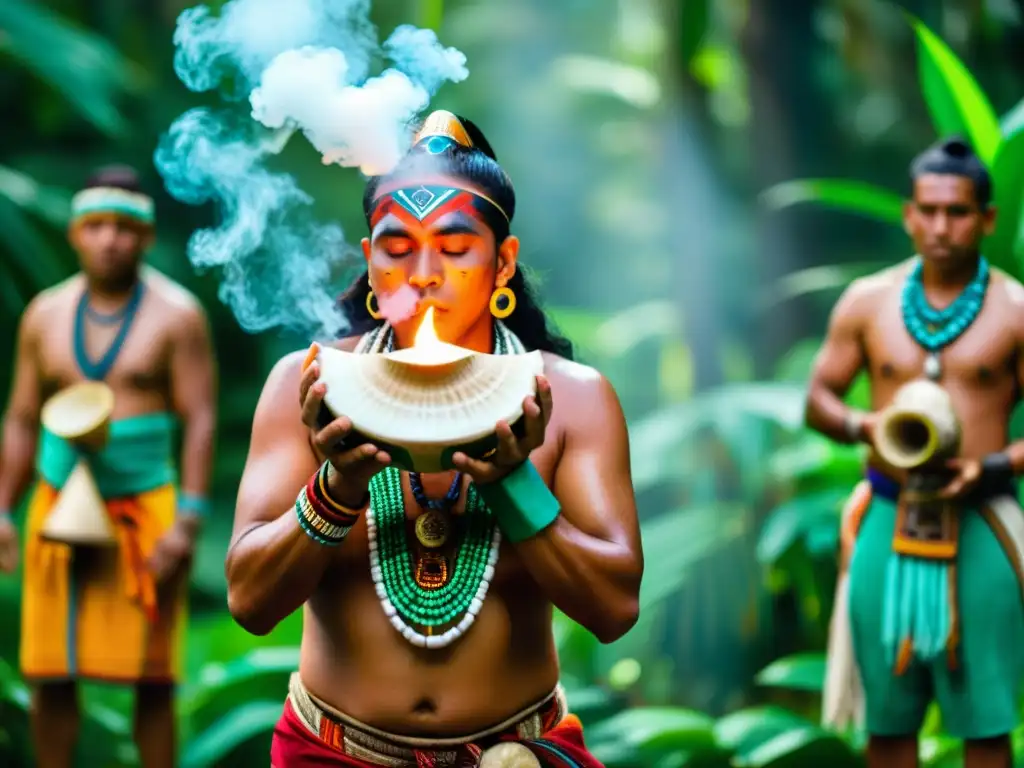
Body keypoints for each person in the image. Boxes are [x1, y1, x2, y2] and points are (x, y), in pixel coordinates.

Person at [226, 110, 643, 767]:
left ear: (503, 262)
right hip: (331, 754)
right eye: (397, 249)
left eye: (454, 248)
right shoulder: (306, 386)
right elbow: (249, 601)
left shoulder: (574, 400)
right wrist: (337, 488)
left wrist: (513, 483)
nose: (422, 273)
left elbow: (616, 608)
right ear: (370, 261)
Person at [807, 136, 1024, 768]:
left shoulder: (1014, 310)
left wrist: (989, 468)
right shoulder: (868, 302)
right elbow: (819, 396)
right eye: (927, 210)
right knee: (888, 723)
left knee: (985, 727)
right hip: (886, 518)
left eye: (957, 212)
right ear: (908, 214)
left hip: (983, 524)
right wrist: (863, 426)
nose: (940, 226)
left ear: (987, 219)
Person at [0, 164, 218, 768]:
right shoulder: (43, 314)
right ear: (75, 233)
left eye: (124, 227)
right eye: (96, 225)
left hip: (144, 504)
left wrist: (189, 519)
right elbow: (21, 417)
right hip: (57, 498)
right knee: (51, 670)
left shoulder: (177, 316)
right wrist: (1, 508)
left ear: (145, 237)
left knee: (153, 678)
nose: (110, 240)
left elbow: (199, 418)